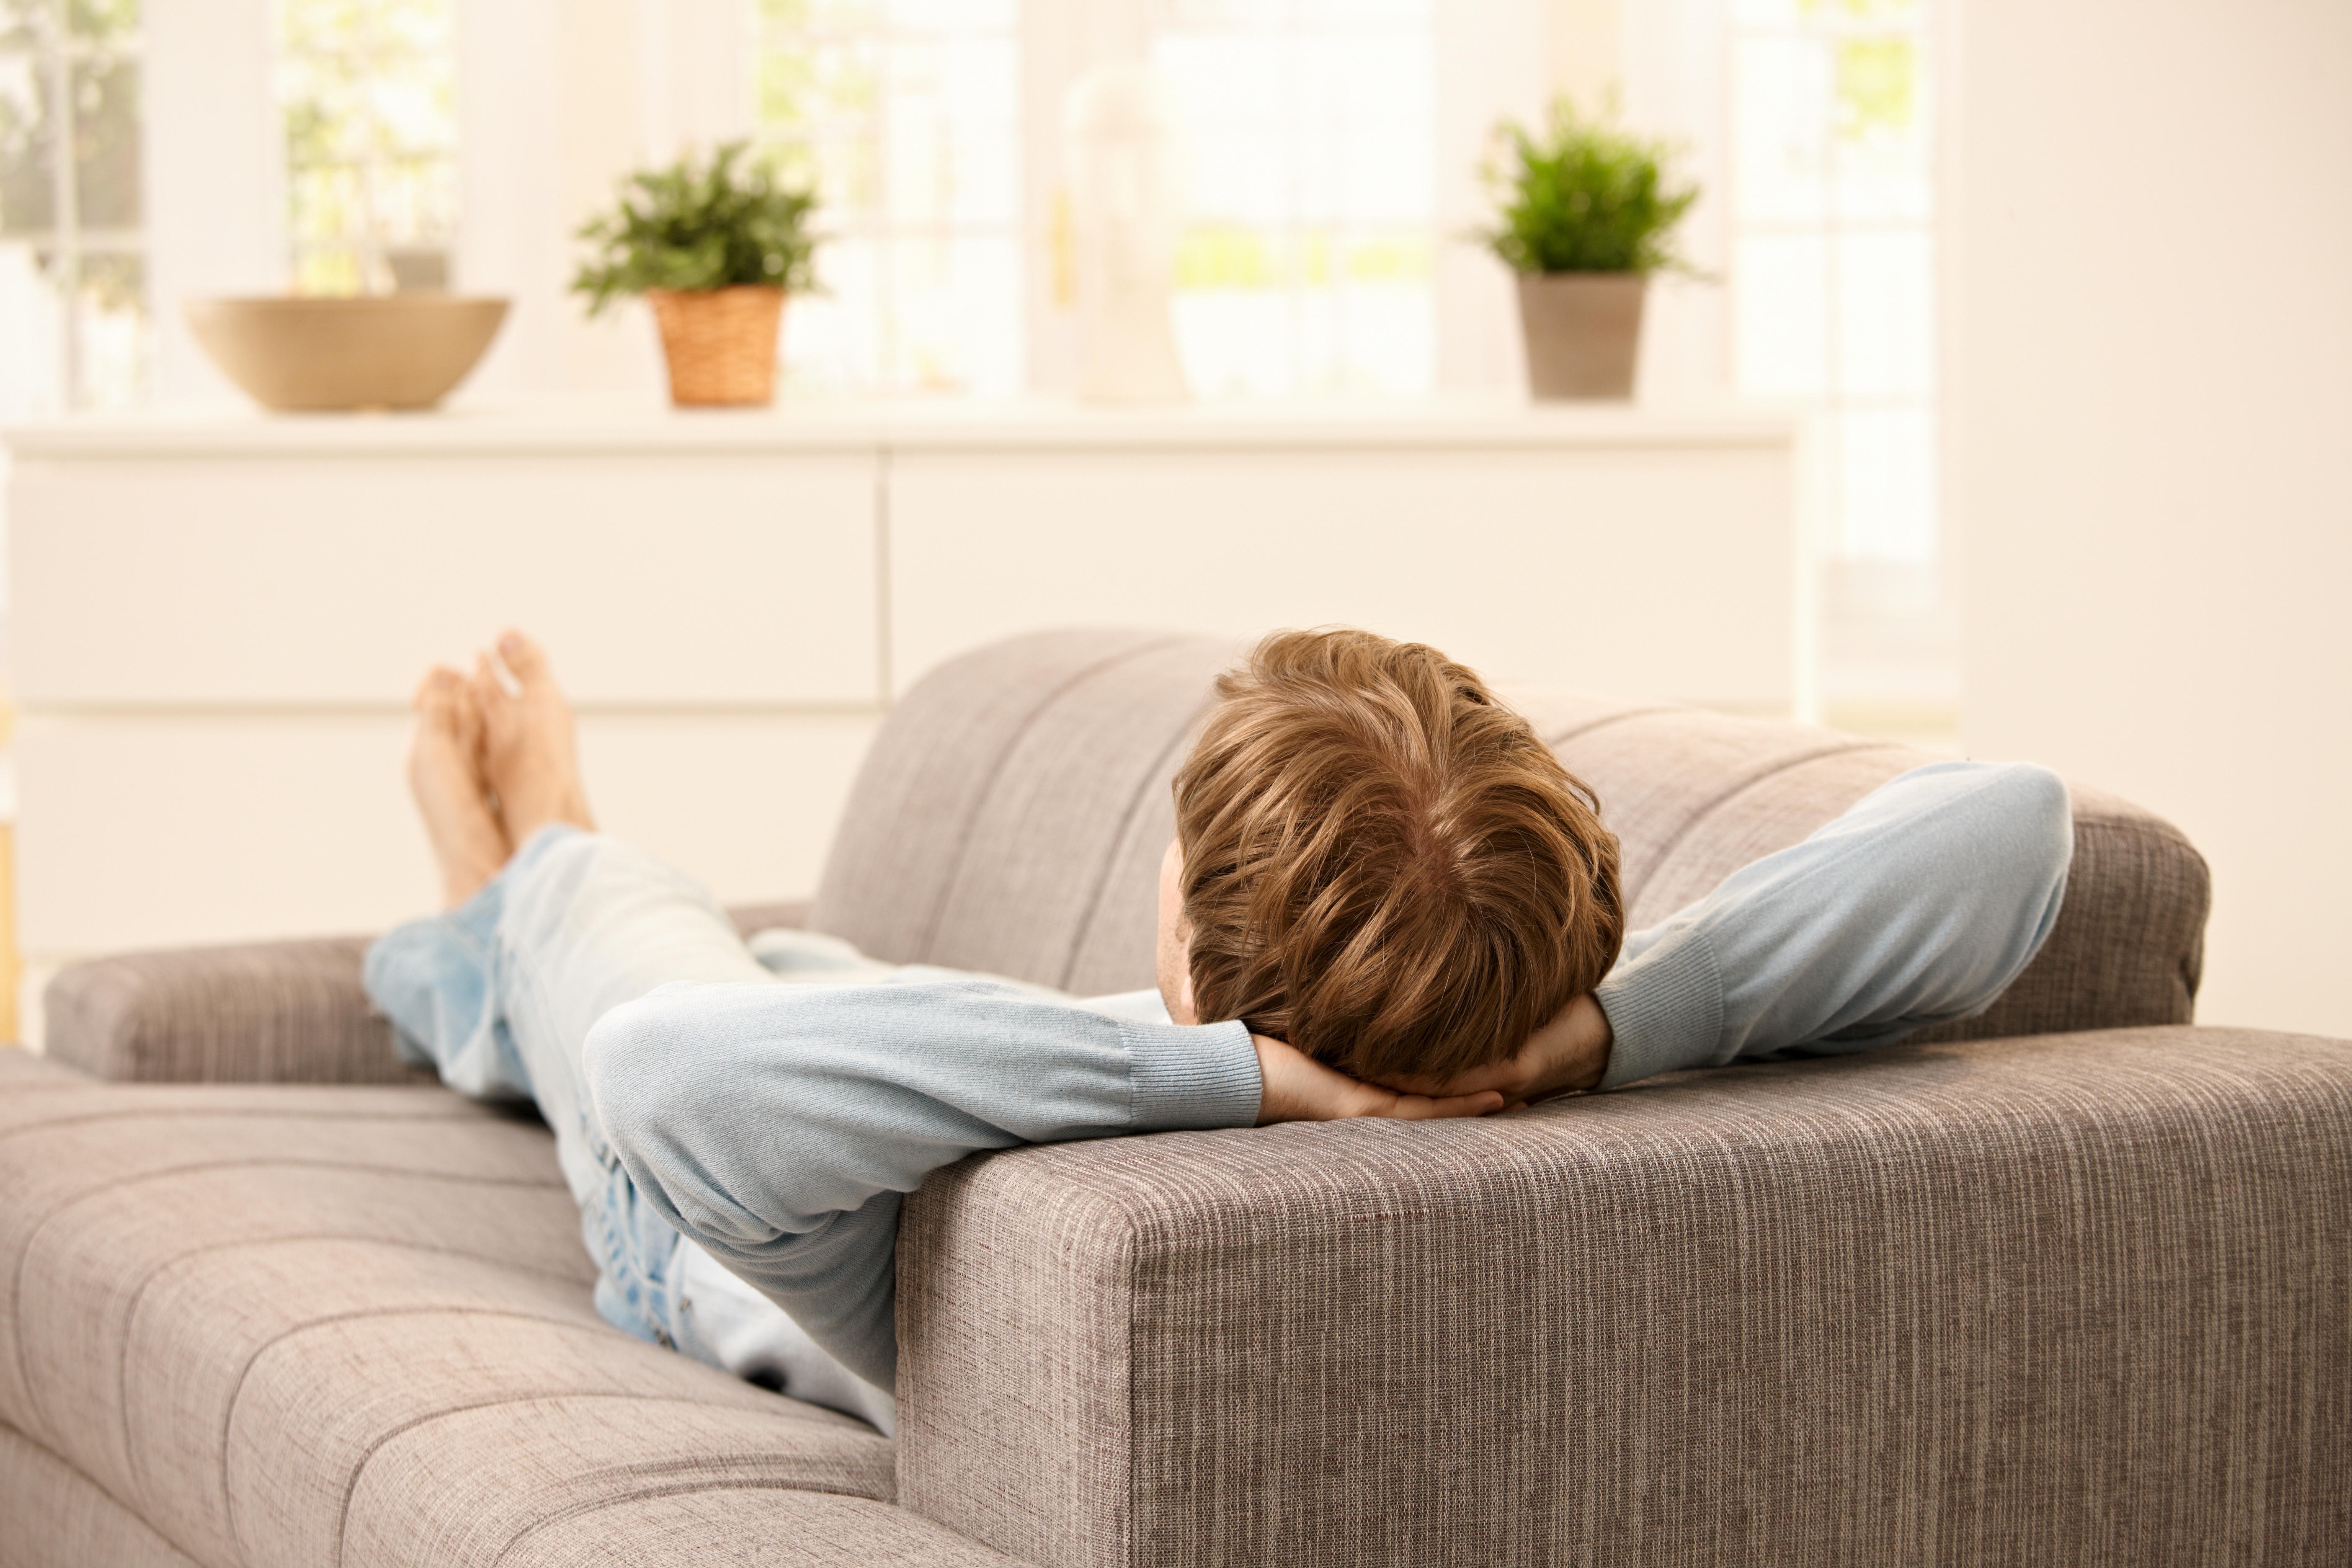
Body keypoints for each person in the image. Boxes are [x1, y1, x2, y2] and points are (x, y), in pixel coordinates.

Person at [366, 627, 2071, 1436]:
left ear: (1184, 958)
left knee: (621, 928)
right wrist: (1593, 1041)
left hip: (703, 1228)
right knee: (809, 965)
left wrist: (1229, 1077)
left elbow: (670, 1071)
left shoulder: (1163, 1128)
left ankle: (515, 870)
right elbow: (2014, 826)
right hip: (864, 1073)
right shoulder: (1501, 1049)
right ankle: (520, 901)